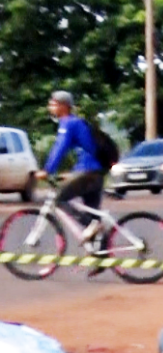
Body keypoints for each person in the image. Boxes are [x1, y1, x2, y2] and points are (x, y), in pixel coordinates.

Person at [36, 91, 104, 244]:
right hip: (95, 172)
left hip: (88, 171)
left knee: (59, 199)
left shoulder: (68, 123)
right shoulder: (77, 122)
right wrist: (71, 173)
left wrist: (47, 170)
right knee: (93, 214)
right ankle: (100, 256)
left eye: (53, 104)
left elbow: (60, 148)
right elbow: (86, 150)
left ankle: (93, 225)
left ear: (64, 106)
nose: (50, 107)